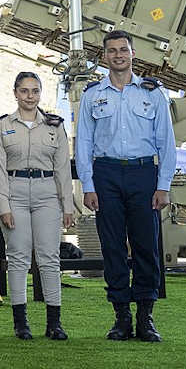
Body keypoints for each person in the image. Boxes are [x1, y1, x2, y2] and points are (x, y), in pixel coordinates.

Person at [76, 29, 174, 342]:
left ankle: (146, 318)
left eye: (124, 50)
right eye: (112, 51)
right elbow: (84, 143)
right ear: (104, 57)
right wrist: (88, 185)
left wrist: (163, 185)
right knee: (113, 247)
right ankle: (121, 319)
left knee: (146, 246)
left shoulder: (152, 92)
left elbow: (166, 142)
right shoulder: (92, 95)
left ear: (133, 54)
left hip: (143, 174)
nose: (118, 55)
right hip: (105, 176)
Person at [0, 71, 74, 341]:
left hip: (47, 193)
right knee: (18, 258)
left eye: (35, 91)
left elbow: (62, 167)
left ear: (40, 93)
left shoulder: (54, 126)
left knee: (50, 258)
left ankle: (54, 323)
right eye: (24, 91)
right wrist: (3, 205)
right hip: (14, 192)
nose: (30, 96)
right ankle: (21, 323)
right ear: (15, 93)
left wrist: (67, 204)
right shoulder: (2, 126)